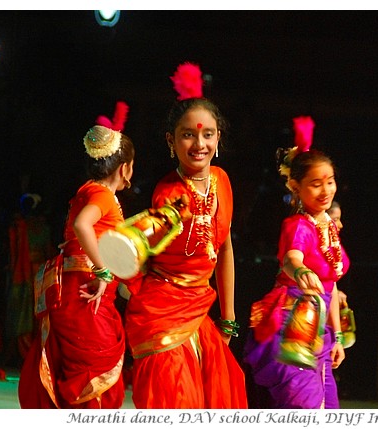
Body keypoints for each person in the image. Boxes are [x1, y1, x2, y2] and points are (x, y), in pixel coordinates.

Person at [123, 62, 248, 408]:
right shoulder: (167, 193)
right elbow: (143, 247)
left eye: (208, 134)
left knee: (219, 399)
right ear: (171, 140)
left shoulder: (222, 181)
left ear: (218, 138)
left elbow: (224, 250)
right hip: (162, 310)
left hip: (201, 312)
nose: (199, 144)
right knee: (175, 399)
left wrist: (229, 318)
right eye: (188, 134)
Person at [18, 102, 134, 408]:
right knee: (94, 375)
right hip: (85, 290)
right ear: (125, 167)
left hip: (72, 288)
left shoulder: (86, 189)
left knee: (78, 369)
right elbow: (84, 226)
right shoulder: (103, 195)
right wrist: (103, 271)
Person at [243, 116, 350, 409]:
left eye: (330, 182)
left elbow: (331, 284)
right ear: (295, 186)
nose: (326, 190)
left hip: (322, 333)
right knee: (303, 408)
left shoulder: (329, 225)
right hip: (293, 327)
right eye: (316, 184)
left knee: (327, 410)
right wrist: (300, 270)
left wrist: (338, 336)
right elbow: (292, 258)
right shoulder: (299, 225)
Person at [5, 193, 56, 366]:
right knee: (36, 313)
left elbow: (13, 255)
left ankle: (26, 354)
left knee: (23, 312)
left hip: (23, 274)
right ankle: (35, 354)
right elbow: (48, 251)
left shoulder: (18, 228)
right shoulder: (38, 228)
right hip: (38, 272)